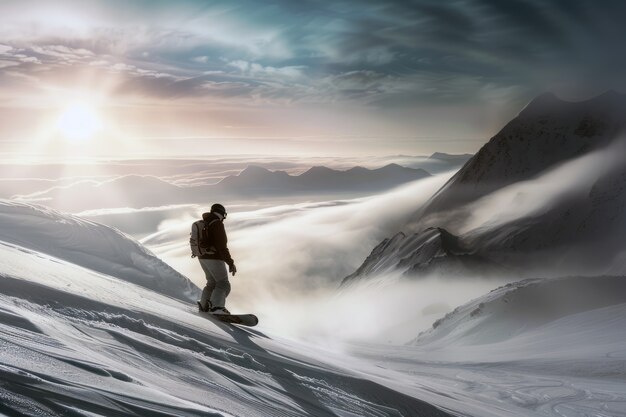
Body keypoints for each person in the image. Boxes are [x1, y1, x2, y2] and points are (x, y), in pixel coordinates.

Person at [190, 203, 237, 315]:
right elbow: (221, 246)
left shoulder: (206, 222)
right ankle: (217, 308)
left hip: (202, 257)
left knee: (211, 283)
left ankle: (204, 305)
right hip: (214, 257)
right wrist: (230, 262)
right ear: (222, 213)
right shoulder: (217, 224)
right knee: (223, 284)